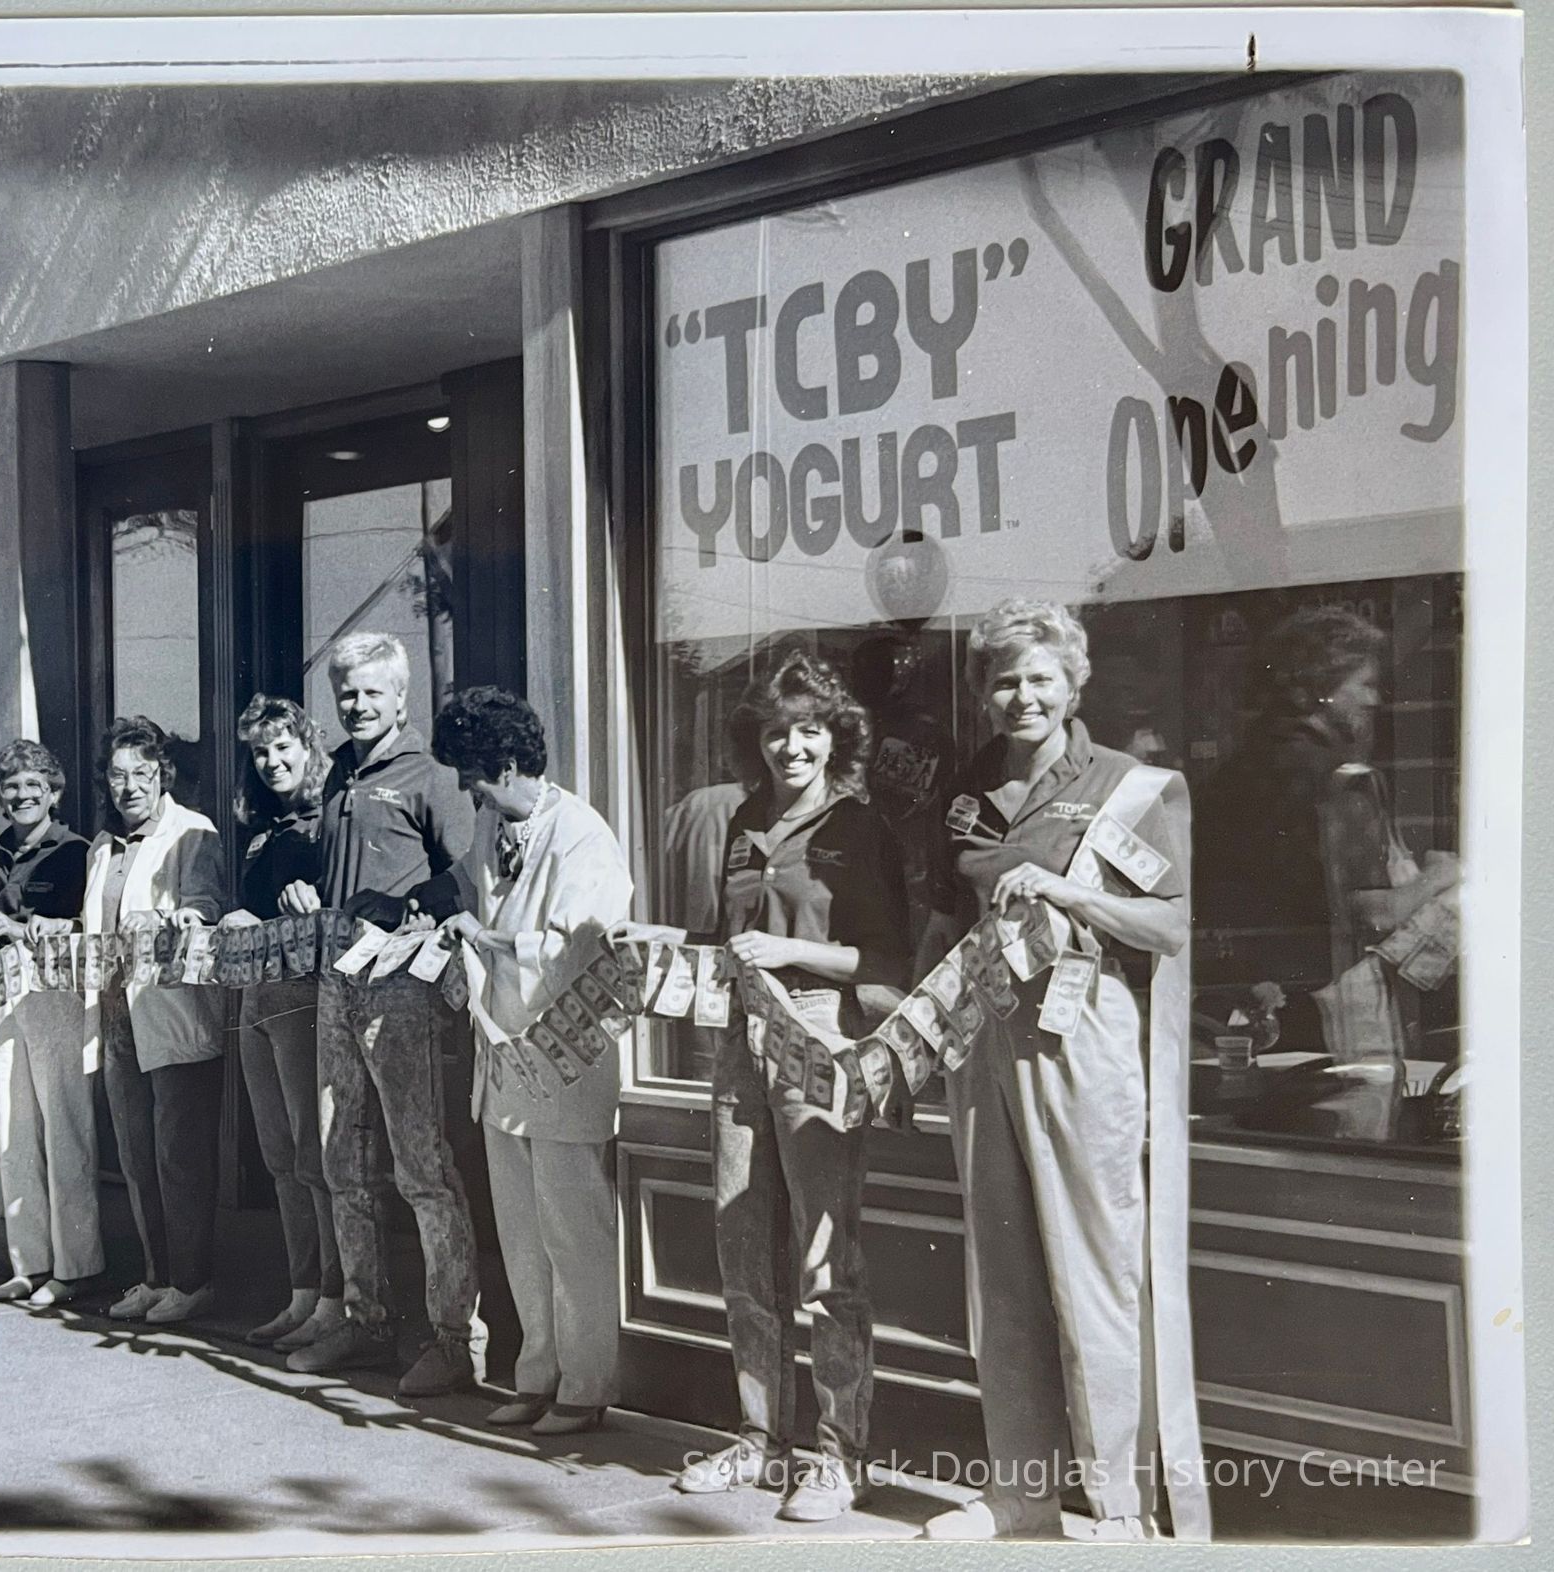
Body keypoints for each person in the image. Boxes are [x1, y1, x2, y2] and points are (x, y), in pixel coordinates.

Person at [920, 599, 1207, 1541]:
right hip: (983, 1038)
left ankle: (1118, 1506)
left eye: (1041, 677)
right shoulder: (965, 793)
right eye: (1004, 678)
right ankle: (1021, 1493)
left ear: (1074, 684)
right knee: (999, 1271)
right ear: (983, 691)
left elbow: (1168, 925)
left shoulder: (1129, 786)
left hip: (1081, 1038)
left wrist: (1066, 888)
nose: (1022, 695)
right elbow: (938, 923)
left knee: (1094, 1271)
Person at [618, 653, 909, 1519]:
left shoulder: (862, 829)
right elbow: (727, 939)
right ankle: (759, 1439)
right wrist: (657, 941)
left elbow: (886, 961)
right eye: (778, 730)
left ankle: (837, 1453)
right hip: (741, 1038)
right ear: (759, 738)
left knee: (826, 1253)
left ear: (835, 737)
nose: (793, 745)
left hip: (820, 1030)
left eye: (810, 729)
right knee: (742, 1239)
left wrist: (788, 954)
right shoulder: (743, 821)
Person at [284, 633, 481, 1399]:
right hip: (338, 983)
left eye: (371, 693)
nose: (357, 706)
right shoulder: (336, 776)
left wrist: (407, 906)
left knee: (421, 1167)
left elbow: (466, 876)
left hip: (403, 989)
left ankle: (457, 1339)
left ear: (402, 697)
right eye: (347, 693)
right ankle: (365, 1320)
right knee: (342, 1160)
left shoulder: (431, 777)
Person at [432, 688, 631, 1438]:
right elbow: (471, 886)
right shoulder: (495, 822)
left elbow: (585, 949)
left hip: (564, 1056)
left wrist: (483, 940)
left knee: (570, 1226)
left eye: (474, 774)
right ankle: (536, 1372)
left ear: (509, 764)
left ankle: (586, 1382)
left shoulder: (581, 835)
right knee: (519, 1225)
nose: (467, 790)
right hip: (503, 1055)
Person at [1197, 605, 1460, 1141]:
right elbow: (1371, 912)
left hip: (1262, 1002)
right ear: (1319, 688)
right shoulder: (1342, 781)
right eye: (1363, 684)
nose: (1374, 699)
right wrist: (1440, 874)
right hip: (1338, 1004)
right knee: (1352, 1142)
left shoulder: (1236, 771)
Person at [76, 717, 230, 1325]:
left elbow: (208, 905)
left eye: (142, 772)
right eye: (118, 775)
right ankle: (155, 1276)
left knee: (179, 1155)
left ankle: (194, 1282)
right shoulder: (101, 849)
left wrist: (174, 921)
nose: (130, 785)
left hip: (173, 1015)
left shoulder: (193, 832)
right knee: (137, 1155)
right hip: (117, 1018)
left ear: (162, 774)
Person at [219, 695, 346, 1349]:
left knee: (312, 1150)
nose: (271, 760)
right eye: (260, 751)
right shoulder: (263, 828)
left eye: (281, 746)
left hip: (303, 995)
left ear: (308, 746)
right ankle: (301, 1296)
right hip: (254, 997)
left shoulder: (330, 824)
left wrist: (305, 910)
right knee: (277, 1154)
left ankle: (336, 1297)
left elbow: (347, 920)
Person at [0, 739, 102, 1307]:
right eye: (12, 786)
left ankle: (76, 1266)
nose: (22, 795)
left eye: (34, 785)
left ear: (54, 793)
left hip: (54, 992)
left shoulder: (74, 850)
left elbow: (85, 924)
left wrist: (34, 926)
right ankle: (29, 1261)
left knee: (63, 1127)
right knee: (13, 1127)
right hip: (0, 991)